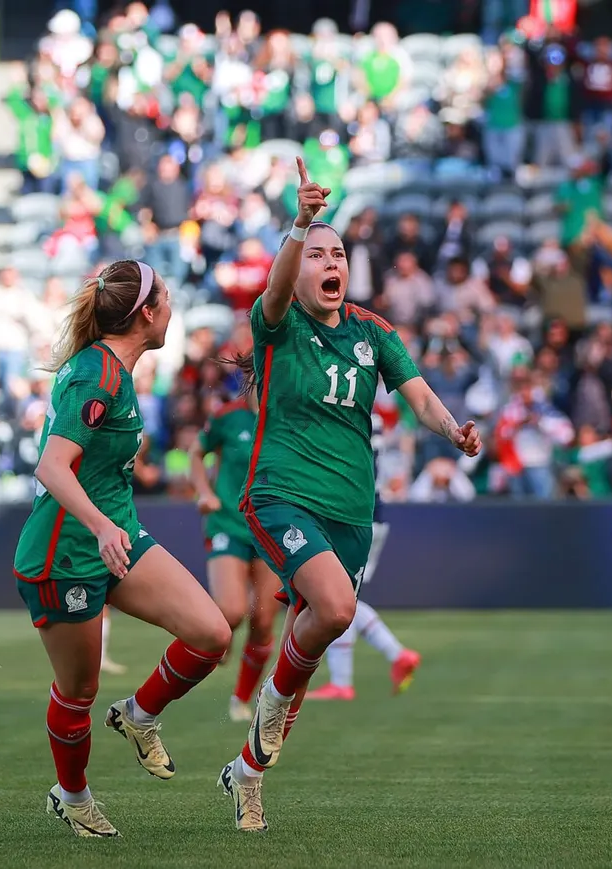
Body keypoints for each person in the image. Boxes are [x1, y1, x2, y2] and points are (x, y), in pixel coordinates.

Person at [219, 159, 482, 832]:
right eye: (317, 253)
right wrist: (299, 222)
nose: (329, 260)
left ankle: (247, 772)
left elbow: (417, 394)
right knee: (336, 609)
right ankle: (272, 704)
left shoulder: (372, 331)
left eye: (338, 251)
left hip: (351, 508)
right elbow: (272, 292)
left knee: (323, 630)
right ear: (299, 266)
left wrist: (452, 429)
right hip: (282, 492)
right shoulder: (276, 321)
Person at [12, 260, 232, 838]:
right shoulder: (97, 375)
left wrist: (115, 527)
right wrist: (102, 528)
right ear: (148, 314)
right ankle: (73, 795)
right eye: (165, 298)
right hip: (65, 554)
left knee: (211, 634)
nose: (171, 308)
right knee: (78, 693)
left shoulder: (115, 370)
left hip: (118, 536)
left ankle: (139, 714)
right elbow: (53, 468)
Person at [309, 411, 422, 701]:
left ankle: (344, 681)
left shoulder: (347, 410)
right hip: (371, 512)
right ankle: (394, 656)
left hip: (354, 514)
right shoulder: (370, 414)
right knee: (345, 597)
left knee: (339, 598)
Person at [188, 388, 282, 723]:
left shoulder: (289, 413)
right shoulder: (228, 416)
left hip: (272, 527)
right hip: (228, 520)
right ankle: (216, 640)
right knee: (231, 610)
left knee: (265, 620)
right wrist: (204, 492)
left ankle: (241, 699)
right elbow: (196, 453)